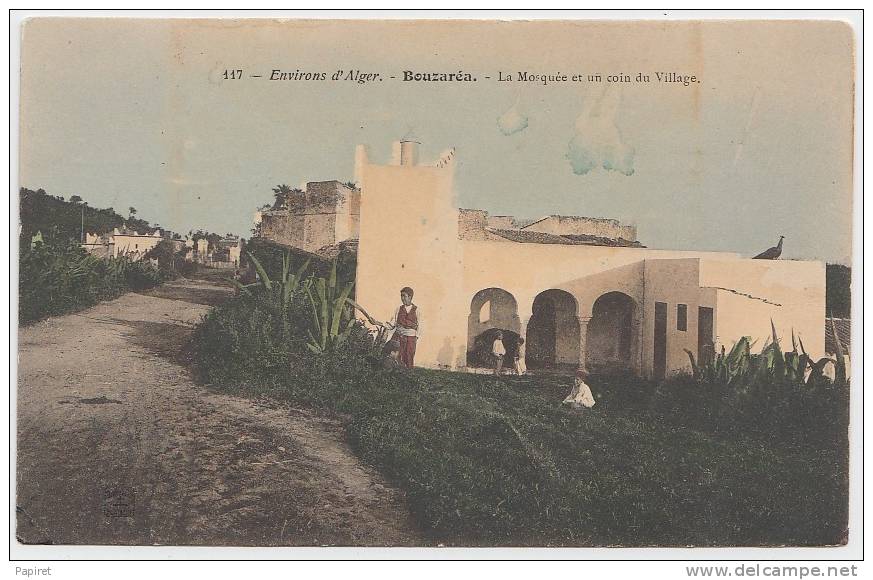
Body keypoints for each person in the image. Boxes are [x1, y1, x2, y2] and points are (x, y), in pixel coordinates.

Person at [384, 286, 420, 369]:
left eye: (404, 296)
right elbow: (393, 322)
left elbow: (420, 325)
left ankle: (408, 372)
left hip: (410, 337)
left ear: (410, 297)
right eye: (401, 296)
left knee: (409, 355)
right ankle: (395, 371)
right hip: (398, 336)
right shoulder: (398, 309)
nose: (402, 298)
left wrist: (416, 337)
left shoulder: (417, 310)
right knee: (396, 354)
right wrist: (383, 324)